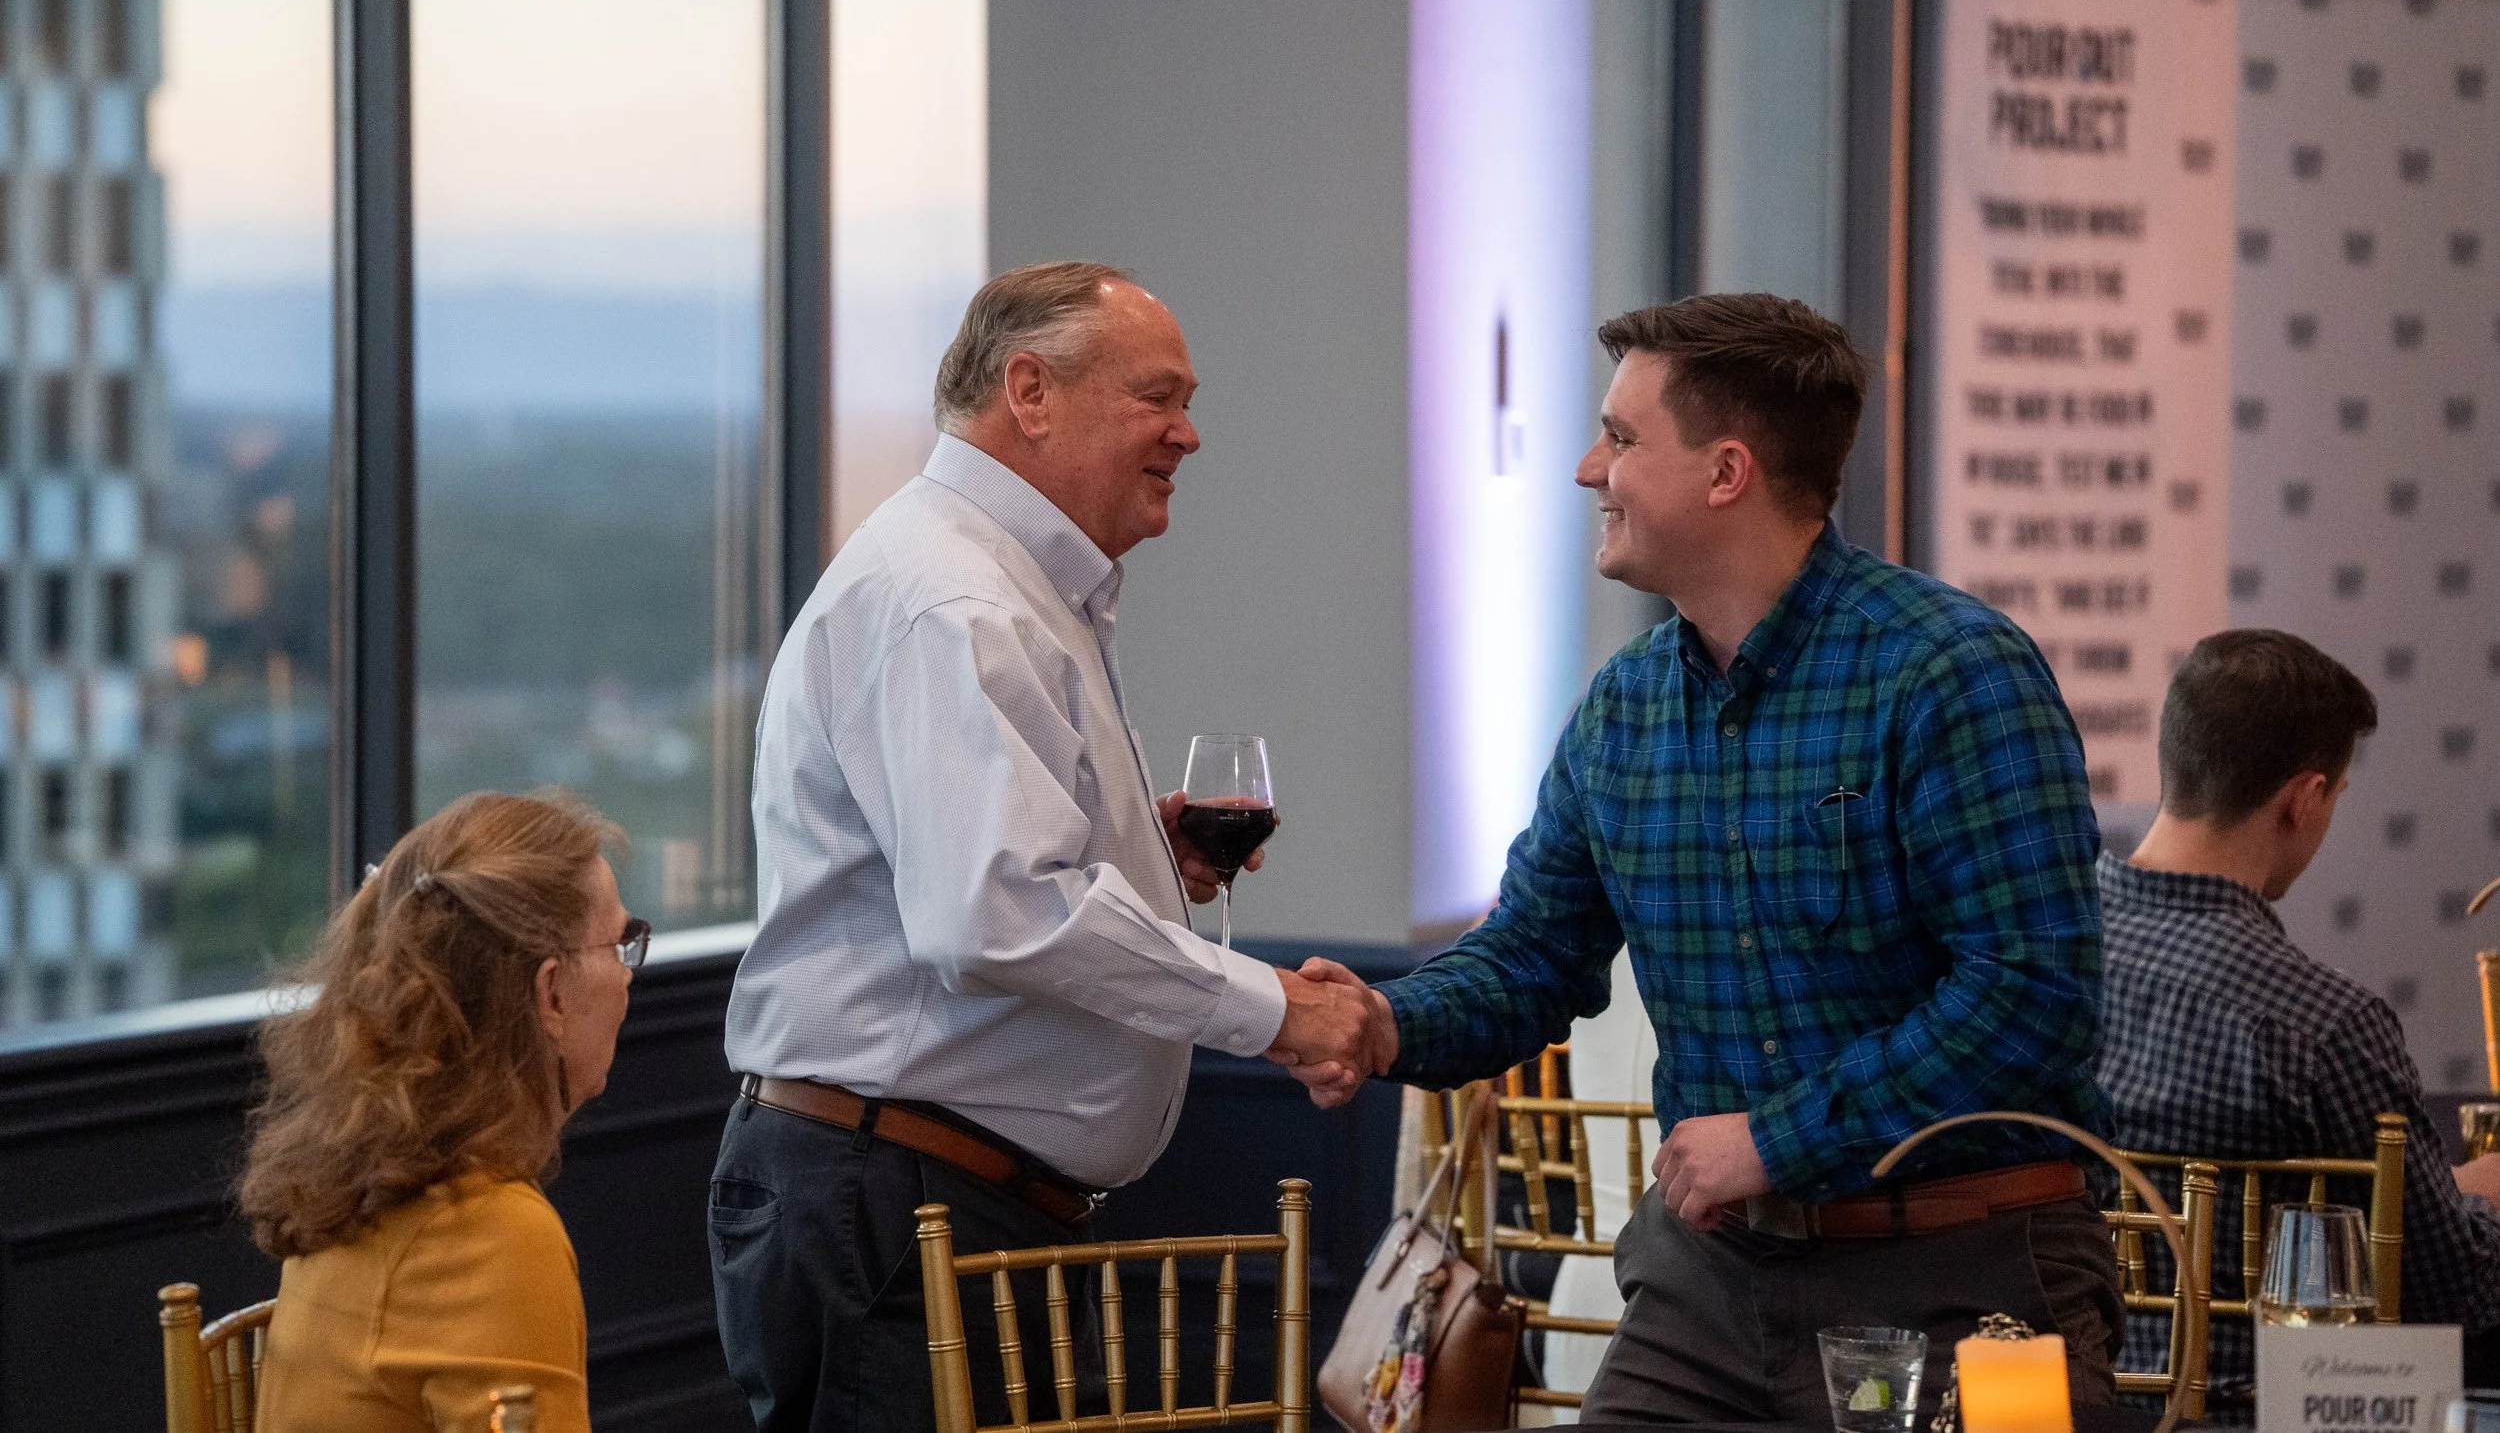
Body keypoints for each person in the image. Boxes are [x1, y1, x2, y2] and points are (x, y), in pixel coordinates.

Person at [1287, 292, 2122, 1423]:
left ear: (1726, 472)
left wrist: (1779, 1139)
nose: (1589, 468)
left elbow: (2033, 995)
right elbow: (1535, 954)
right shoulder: (1624, 710)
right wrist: (1388, 1023)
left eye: (1622, 439)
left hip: (1965, 1282)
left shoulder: (1951, 673)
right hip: (1711, 1288)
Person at [712, 260, 1371, 1433]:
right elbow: (995, 914)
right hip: (898, 1207)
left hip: (928, 1199)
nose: (1190, 433)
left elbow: (981, 874)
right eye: (1157, 395)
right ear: (1029, 389)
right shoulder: (956, 599)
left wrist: (1141, 856)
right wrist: (1278, 1007)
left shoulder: (995, 580)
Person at [2093, 628, 2500, 1411]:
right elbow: (2449, 1287)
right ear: (2304, 797)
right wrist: (2478, 1195)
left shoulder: (2036, 960)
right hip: (2269, 1413)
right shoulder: (2325, 1025)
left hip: (2073, 1395)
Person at [243, 790, 643, 1433]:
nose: (628, 976)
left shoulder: (364, 1177)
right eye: (620, 945)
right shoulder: (492, 1235)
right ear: (550, 995)